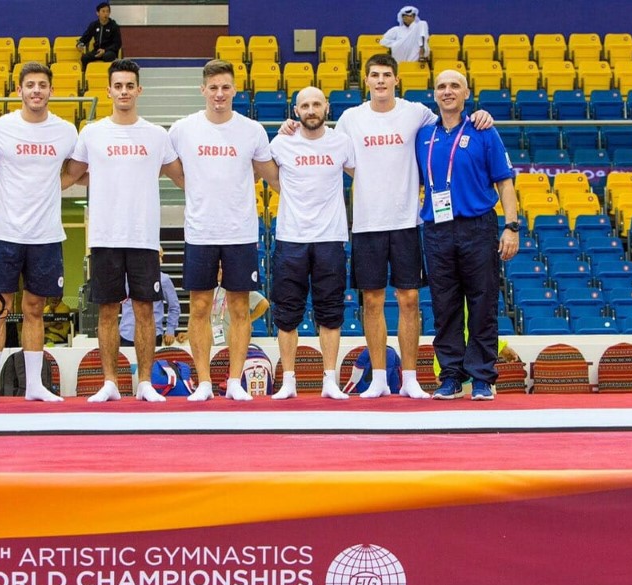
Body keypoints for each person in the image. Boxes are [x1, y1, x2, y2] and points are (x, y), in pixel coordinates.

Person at [280, 53, 493, 400]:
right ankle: (379, 377)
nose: (380, 80)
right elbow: (326, 147)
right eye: (375, 75)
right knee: (372, 301)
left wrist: (479, 115)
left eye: (386, 75)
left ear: (396, 80)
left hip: (406, 221)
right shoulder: (350, 119)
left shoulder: (416, 113)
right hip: (367, 223)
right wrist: (290, 128)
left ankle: (409, 377)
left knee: (409, 299)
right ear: (366, 81)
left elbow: (452, 121)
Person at [63, 59, 183, 403]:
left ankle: (144, 382)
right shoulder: (92, 133)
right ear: (109, 91)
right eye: (118, 86)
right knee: (107, 311)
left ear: (139, 90)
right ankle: (110, 382)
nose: (124, 91)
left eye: (130, 85)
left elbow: (183, 177)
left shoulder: (157, 135)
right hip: (104, 236)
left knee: (145, 311)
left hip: (144, 237)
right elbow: (70, 176)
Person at [168, 59, 279, 402]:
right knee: (200, 307)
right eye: (213, 88)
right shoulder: (182, 129)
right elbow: (171, 169)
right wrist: (195, 189)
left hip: (240, 232)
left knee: (239, 308)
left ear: (235, 89)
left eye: (225, 87)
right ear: (203, 89)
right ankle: (203, 382)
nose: (219, 94)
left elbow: (271, 174)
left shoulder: (252, 130)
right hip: (200, 232)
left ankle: (234, 381)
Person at [0, 62, 78, 404]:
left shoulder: (66, 132)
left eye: (42, 85)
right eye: (30, 85)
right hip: (4, 232)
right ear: (19, 90)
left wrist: (50, 188)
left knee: (35, 308)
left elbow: (75, 171)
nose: (36, 90)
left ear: (51, 90)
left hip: (46, 235)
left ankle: (34, 385)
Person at [417, 69, 519, 401]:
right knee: (444, 306)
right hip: (437, 229)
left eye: (454, 86)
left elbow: (505, 182)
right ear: (434, 94)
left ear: (466, 93)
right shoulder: (423, 134)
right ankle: (450, 376)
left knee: (482, 303)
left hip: (477, 226)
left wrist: (511, 227)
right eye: (441, 86)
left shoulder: (484, 130)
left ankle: (482, 377)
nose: (447, 91)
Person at [269, 87, 354, 401]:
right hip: (291, 239)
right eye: (304, 105)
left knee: (330, 312)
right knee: (286, 314)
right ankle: (288, 381)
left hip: (330, 238)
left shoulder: (342, 142)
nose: (311, 110)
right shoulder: (281, 143)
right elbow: (265, 174)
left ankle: (330, 380)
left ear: (327, 107)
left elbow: (365, 175)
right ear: (295, 111)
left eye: (316, 104)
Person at [120, 251, 180, 347]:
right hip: (127, 334)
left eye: (161, 257)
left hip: (153, 334)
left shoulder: (163, 279)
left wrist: (170, 330)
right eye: (158, 256)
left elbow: (174, 307)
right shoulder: (125, 278)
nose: (161, 260)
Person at [208, 263, 269, 347]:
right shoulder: (211, 290)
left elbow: (264, 304)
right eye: (217, 268)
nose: (220, 271)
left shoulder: (240, 289)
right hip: (214, 342)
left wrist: (249, 320)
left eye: (222, 268)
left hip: (234, 340)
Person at [77, 2, 122, 67]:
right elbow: (86, 37)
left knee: (108, 56)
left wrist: (105, 50)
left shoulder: (114, 26)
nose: (106, 13)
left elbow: (117, 44)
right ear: (98, 13)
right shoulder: (93, 25)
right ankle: (86, 73)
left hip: (109, 52)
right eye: (103, 11)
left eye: (107, 11)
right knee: (85, 57)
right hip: (97, 51)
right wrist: (80, 44)